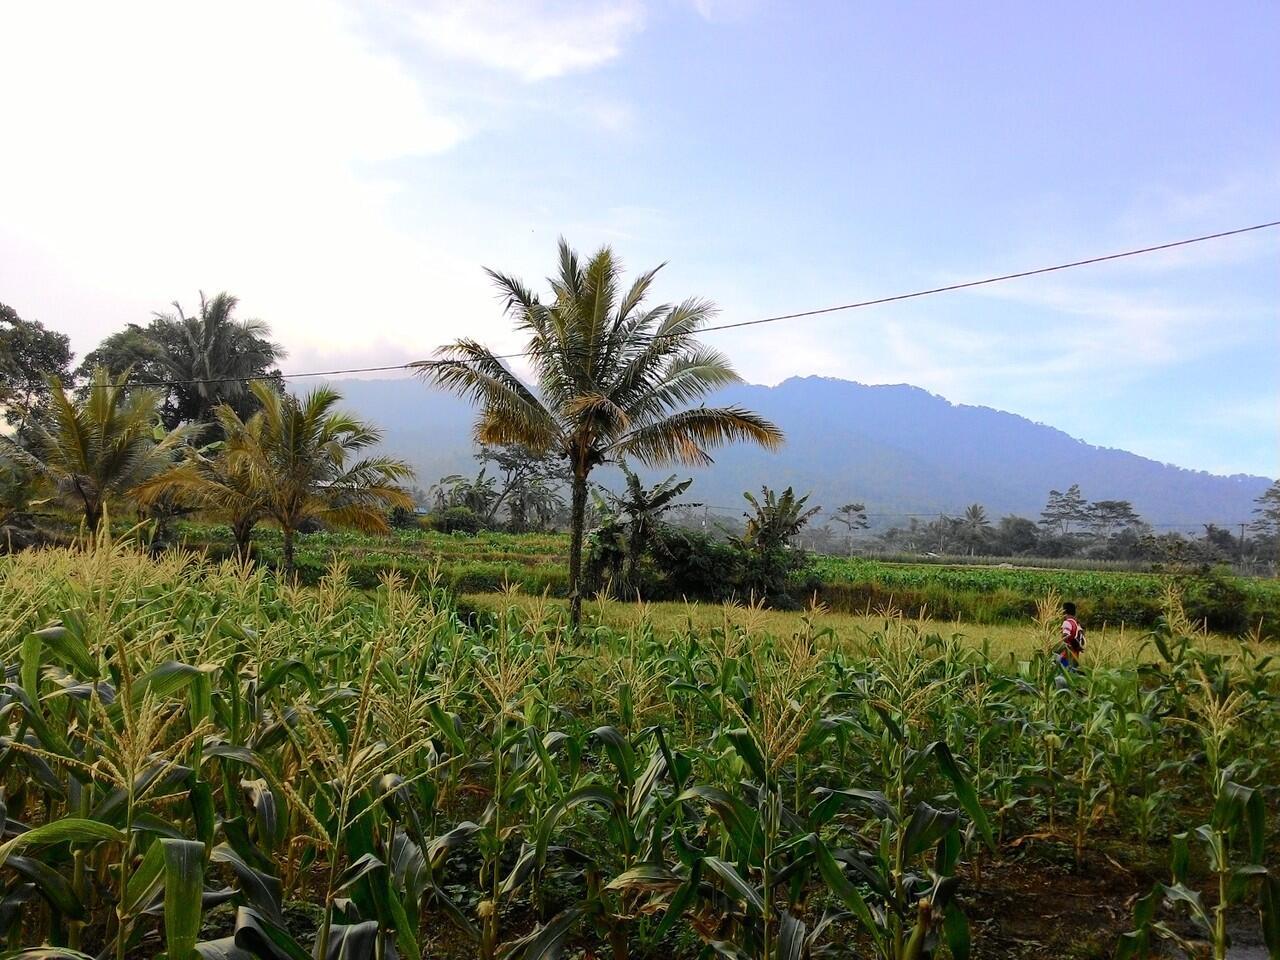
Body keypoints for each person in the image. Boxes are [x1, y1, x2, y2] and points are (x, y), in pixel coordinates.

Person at [1058, 601, 1085, 673]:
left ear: (1064, 612)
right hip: (1075, 653)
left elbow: (1066, 636)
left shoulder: (1067, 622)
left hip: (1067, 653)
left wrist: (1057, 647)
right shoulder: (1077, 623)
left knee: (1061, 664)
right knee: (1072, 671)